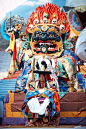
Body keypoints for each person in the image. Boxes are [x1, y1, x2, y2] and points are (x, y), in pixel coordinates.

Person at [22, 61, 60, 127]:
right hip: (36, 97)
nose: (41, 77)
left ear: (45, 77)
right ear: (38, 77)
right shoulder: (34, 84)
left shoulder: (50, 83)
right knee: (31, 102)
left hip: (46, 98)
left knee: (47, 102)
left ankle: (45, 118)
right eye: (40, 76)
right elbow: (29, 92)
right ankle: (33, 118)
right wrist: (37, 95)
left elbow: (53, 90)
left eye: (43, 76)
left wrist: (43, 94)